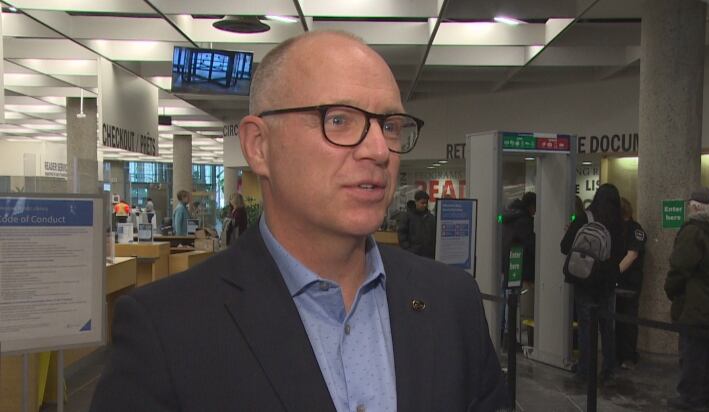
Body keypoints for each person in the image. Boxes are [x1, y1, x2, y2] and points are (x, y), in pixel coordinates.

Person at [91, 31, 508, 411]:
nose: (379, 150)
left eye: (390, 125)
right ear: (259, 146)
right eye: (339, 120)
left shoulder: (453, 303)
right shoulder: (167, 329)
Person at [665, 187, 709, 411]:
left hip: (697, 308)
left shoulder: (693, 232)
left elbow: (680, 267)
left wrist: (670, 289)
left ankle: (689, 398)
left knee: (693, 355)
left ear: (696, 207)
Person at [560, 183, 625, 385]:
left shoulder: (584, 218)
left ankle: (585, 371)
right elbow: (620, 252)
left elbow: (564, 247)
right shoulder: (619, 222)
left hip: (585, 280)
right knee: (607, 327)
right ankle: (608, 371)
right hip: (607, 283)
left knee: (587, 326)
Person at [500, 192, 536, 348]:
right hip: (515, 264)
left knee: (505, 300)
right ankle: (509, 338)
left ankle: (503, 334)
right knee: (512, 301)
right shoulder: (524, 220)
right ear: (531, 205)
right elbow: (529, 244)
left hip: (505, 263)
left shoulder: (511, 216)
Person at [615, 197, 646, 370]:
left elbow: (632, 255)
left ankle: (628, 356)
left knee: (627, 319)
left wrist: (614, 273)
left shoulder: (636, 230)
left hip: (629, 283)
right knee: (618, 319)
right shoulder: (617, 229)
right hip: (619, 281)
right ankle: (618, 354)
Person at [397, 190, 436, 258]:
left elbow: (434, 235)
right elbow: (402, 234)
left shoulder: (431, 218)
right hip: (413, 255)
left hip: (429, 256)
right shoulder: (407, 216)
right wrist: (408, 250)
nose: (425, 205)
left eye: (426, 203)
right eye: (422, 203)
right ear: (416, 202)